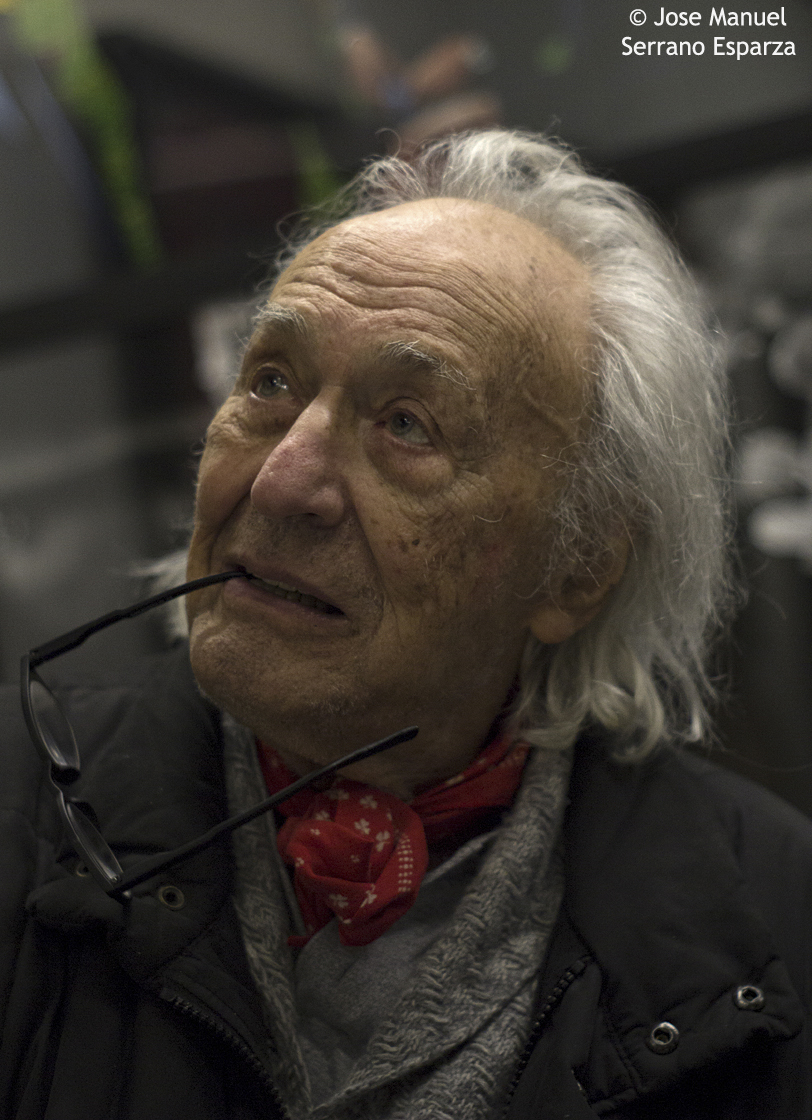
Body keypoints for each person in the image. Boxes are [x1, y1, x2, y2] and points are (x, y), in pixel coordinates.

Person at [2, 129, 811, 1120]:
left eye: (406, 425)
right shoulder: (19, 798)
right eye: (270, 383)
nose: (281, 481)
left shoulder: (777, 927)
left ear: (577, 566)